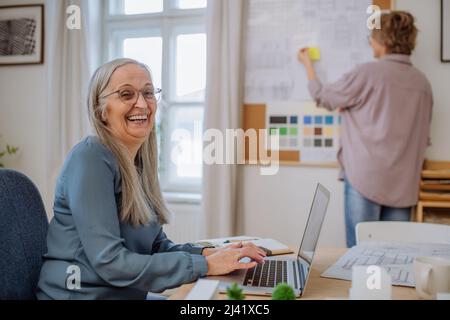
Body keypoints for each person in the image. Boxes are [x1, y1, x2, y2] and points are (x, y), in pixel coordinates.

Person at [37, 58, 266, 300]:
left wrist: (211, 253)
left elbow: (157, 247)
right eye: (126, 94)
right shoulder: (90, 157)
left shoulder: (138, 163)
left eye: (148, 93)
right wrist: (205, 266)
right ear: (101, 111)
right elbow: (111, 262)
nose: (141, 103)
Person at [297, 11, 433, 247]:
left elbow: (323, 96)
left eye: (372, 37)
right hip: (404, 185)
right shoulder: (423, 83)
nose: (370, 41)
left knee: (360, 258)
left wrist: (307, 64)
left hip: (365, 180)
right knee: (393, 258)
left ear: (384, 42)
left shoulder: (368, 73)